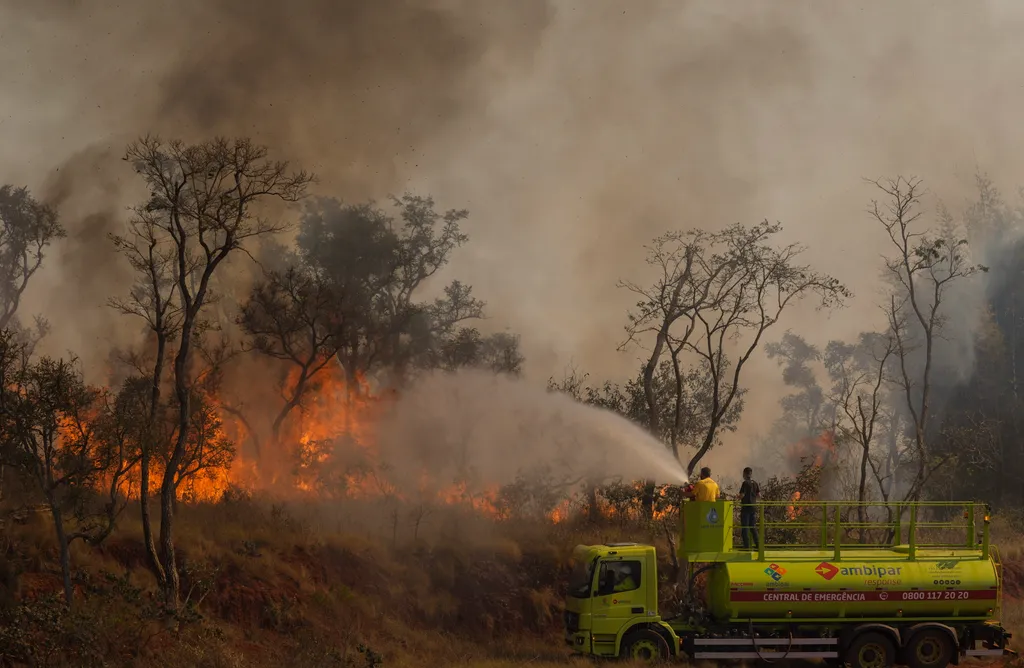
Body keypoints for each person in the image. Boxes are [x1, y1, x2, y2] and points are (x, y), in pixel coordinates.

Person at [738, 466, 761, 550]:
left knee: (745, 527)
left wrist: (737, 498)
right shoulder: (755, 483)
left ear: (744, 473)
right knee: (753, 527)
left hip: (746, 508)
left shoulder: (745, 483)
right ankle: (758, 545)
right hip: (753, 508)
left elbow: (742, 495)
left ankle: (746, 546)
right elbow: (759, 496)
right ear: (751, 474)